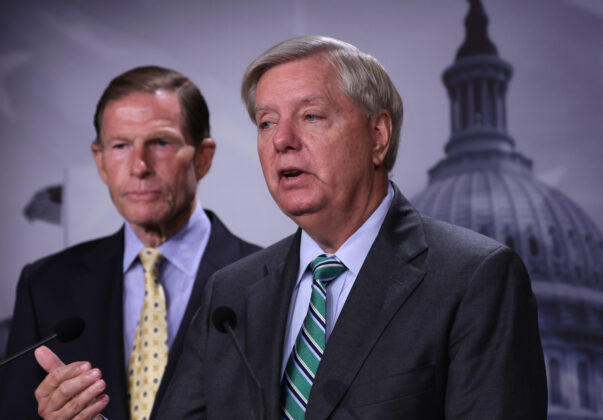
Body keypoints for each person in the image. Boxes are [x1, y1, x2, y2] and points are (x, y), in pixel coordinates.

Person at [157, 36, 547, 419]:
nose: (282, 140)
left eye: (310, 116)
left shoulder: (474, 279)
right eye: (266, 122)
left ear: (378, 136)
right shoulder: (230, 294)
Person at [0, 66, 260, 420]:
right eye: (120, 146)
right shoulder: (45, 284)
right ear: (101, 162)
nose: (139, 166)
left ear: (203, 157)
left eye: (161, 143)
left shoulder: (269, 281)